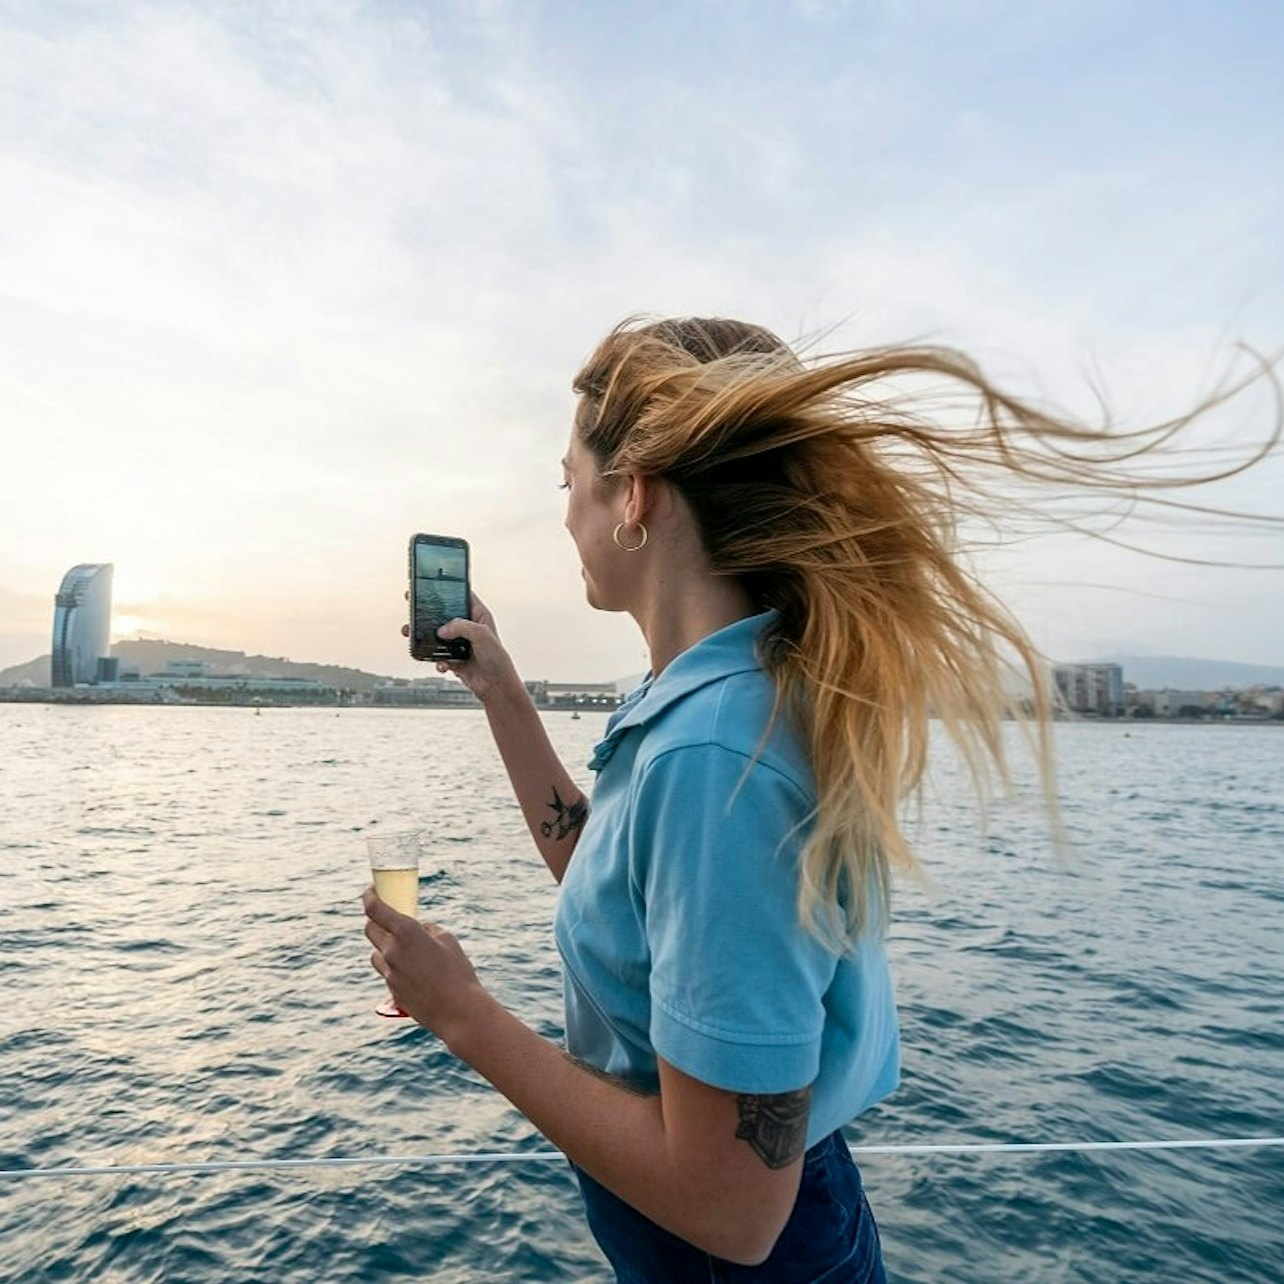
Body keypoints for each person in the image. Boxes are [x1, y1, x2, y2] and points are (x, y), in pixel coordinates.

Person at [364, 315, 1278, 1282]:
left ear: (631, 493)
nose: (564, 514)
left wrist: (461, 1013)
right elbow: (619, 880)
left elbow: (729, 1207)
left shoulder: (717, 752)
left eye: (568, 481)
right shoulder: (726, 697)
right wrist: (504, 694)